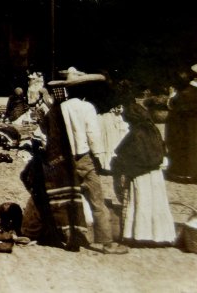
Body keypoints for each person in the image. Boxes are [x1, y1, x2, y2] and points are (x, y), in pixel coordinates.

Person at [35, 67, 128, 254]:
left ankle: (70, 236)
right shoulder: (87, 108)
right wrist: (100, 157)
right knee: (97, 201)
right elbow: (93, 135)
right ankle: (106, 242)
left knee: (70, 198)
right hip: (83, 157)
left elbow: (46, 132)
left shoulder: (57, 108)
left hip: (63, 159)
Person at [112, 103, 175, 245]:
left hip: (141, 176)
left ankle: (140, 235)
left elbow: (126, 154)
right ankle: (159, 235)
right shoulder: (153, 130)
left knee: (141, 204)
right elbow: (162, 152)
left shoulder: (136, 134)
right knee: (156, 205)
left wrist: (119, 166)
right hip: (156, 175)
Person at [165, 68, 197, 183]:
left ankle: (181, 172)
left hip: (181, 125)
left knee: (181, 148)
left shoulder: (179, 96)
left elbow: (172, 108)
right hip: (196, 125)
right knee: (196, 148)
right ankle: (196, 174)